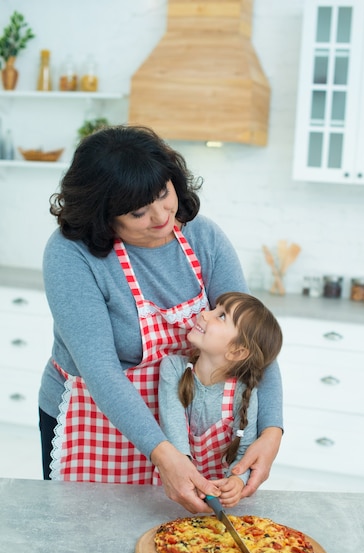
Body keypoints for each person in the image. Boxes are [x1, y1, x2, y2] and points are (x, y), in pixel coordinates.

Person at [38, 125, 283, 513]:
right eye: (138, 212)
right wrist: (164, 455)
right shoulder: (71, 255)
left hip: (187, 428)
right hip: (100, 423)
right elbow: (101, 370)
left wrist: (272, 430)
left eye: (163, 194)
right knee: (87, 545)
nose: (162, 216)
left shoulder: (203, 236)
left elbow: (253, 337)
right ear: (102, 214)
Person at [158, 292, 283, 507]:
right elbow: (176, 442)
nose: (205, 314)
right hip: (177, 495)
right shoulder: (172, 369)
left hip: (221, 505)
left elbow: (244, 453)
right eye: (215, 309)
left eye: (222, 316)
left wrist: (236, 480)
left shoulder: (244, 392)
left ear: (237, 351)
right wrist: (190, 481)